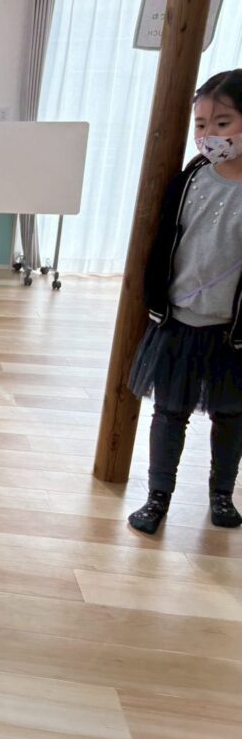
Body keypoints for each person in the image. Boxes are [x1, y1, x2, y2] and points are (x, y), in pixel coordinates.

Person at [128, 69, 242, 534]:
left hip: (232, 333)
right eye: (201, 124)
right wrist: (156, 299)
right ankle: (158, 496)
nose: (210, 134)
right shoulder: (190, 179)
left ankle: (221, 495)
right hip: (178, 321)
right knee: (169, 412)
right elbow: (164, 244)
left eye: (223, 123)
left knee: (231, 416)